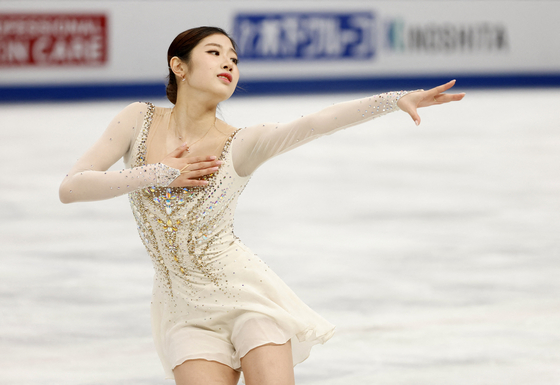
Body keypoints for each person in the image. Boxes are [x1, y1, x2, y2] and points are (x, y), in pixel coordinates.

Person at [59, 26, 464, 385]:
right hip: (183, 310)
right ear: (178, 67)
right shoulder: (138, 119)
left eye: (234, 58)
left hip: (248, 299)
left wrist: (393, 101)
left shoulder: (243, 142)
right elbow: (72, 188)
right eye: (214, 52)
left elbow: (317, 122)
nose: (228, 63)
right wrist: (159, 173)